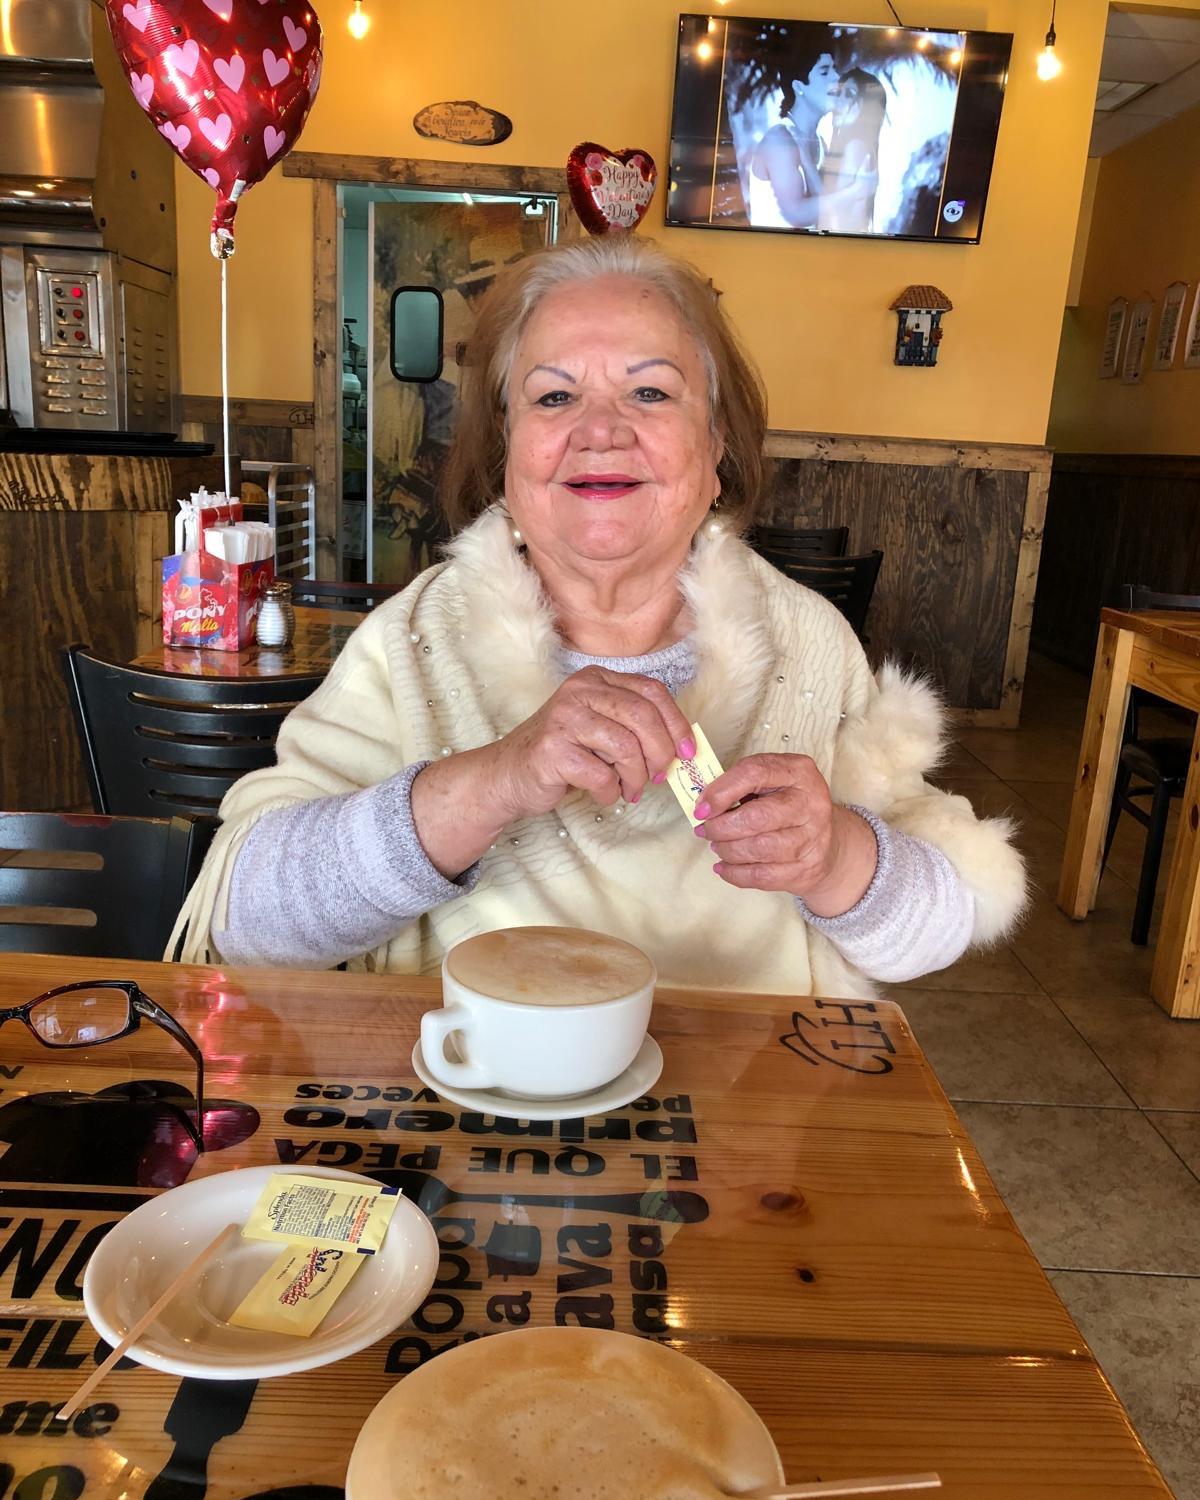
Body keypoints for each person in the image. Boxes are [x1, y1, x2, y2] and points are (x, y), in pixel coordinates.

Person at [170, 237, 1026, 996]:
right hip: (471, 1108)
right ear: (507, 454)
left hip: (743, 1132)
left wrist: (838, 856)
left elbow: (941, 924)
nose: (601, 430)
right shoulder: (416, 640)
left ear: (716, 446)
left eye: (651, 393)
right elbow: (246, 925)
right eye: (552, 398)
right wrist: (497, 778)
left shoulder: (803, 642)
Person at [744, 45, 877, 231]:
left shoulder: (820, 142)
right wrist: (856, 191)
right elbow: (797, 214)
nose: (836, 78)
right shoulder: (780, 139)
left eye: (834, 70)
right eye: (824, 72)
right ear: (799, 86)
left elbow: (825, 208)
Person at [821, 67, 887, 235]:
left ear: (862, 105)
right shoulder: (855, 144)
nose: (839, 100)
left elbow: (837, 210)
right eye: (839, 93)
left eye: (849, 94)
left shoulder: (856, 146)